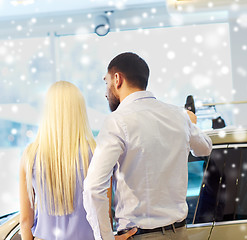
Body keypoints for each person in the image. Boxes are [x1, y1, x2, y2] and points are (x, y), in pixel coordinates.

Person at [83, 52, 212, 240]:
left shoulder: (117, 122)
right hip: (180, 233)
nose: (105, 91)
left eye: (106, 82)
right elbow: (205, 148)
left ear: (117, 79)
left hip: (140, 235)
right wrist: (191, 123)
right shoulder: (178, 116)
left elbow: (94, 188)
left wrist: (105, 238)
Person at [19, 81, 96, 240]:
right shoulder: (95, 152)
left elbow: (25, 220)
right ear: (79, 111)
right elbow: (103, 214)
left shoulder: (30, 155)